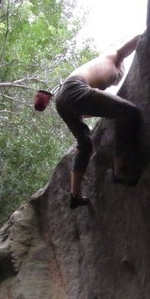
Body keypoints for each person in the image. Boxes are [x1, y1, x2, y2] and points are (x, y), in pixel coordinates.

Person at [55, 34, 142, 209]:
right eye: (118, 76)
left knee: (85, 144)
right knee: (129, 112)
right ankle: (120, 171)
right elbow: (133, 42)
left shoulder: (99, 75)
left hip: (63, 100)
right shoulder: (114, 57)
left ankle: (75, 195)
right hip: (74, 88)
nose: (115, 82)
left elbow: (90, 109)